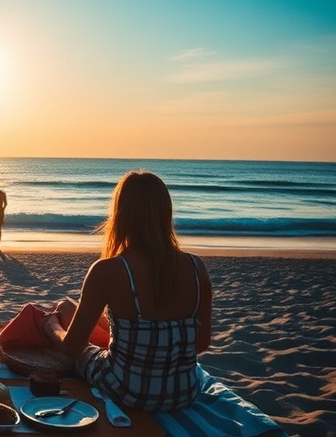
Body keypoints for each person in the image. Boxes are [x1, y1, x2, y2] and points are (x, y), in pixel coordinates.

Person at [43, 171, 213, 412]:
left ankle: (59, 319)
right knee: (68, 308)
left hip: (128, 392)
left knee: (78, 341)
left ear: (121, 215)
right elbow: (201, 344)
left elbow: (72, 347)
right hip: (184, 393)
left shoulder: (109, 270)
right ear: (166, 213)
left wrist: (52, 328)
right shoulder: (197, 268)